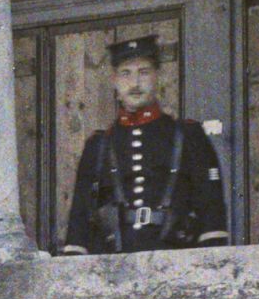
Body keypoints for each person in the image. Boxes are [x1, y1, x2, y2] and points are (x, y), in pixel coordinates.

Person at [60, 35, 230, 255]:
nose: (135, 83)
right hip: (112, 265)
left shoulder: (188, 136)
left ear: (157, 76)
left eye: (144, 72)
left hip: (176, 260)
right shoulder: (98, 145)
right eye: (126, 73)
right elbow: (79, 219)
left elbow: (211, 214)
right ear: (114, 81)